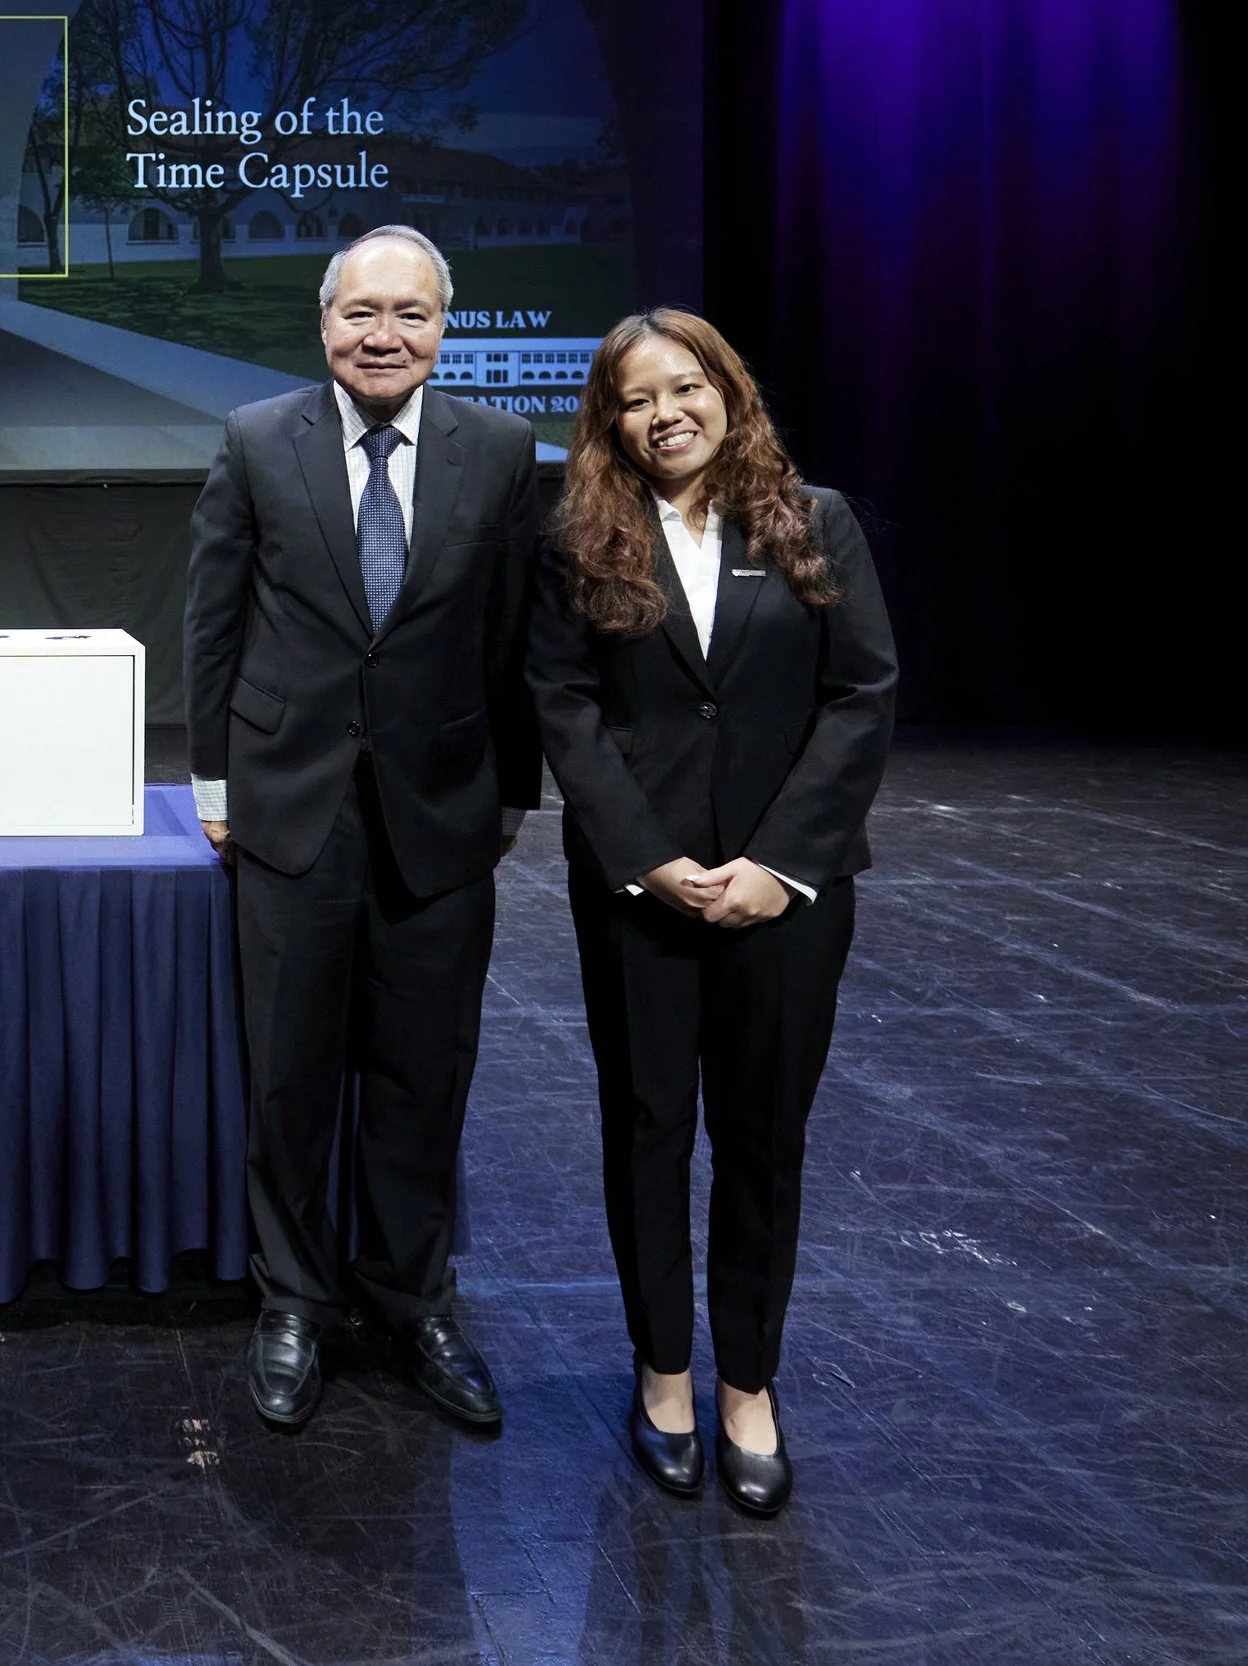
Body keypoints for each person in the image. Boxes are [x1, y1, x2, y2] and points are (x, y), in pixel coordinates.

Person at [528, 308, 896, 1514]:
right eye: (636, 398)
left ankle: (749, 1385)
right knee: (646, 1133)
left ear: (728, 393)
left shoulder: (812, 519)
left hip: (783, 897)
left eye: (685, 386)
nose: (664, 412)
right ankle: (665, 1374)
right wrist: (646, 858)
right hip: (642, 897)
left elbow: (860, 696)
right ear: (610, 420)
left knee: (760, 1140)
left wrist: (776, 862)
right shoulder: (582, 538)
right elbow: (563, 705)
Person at [186, 225, 541, 1429]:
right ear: (323, 322)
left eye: (411, 314)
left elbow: (512, 639)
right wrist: (214, 785)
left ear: (447, 326)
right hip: (288, 809)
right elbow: (214, 622)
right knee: (289, 1071)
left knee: (420, 1072)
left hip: (440, 815)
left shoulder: (497, 453)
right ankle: (291, 1301)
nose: (383, 336)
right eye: (360, 314)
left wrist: (509, 792)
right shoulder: (253, 440)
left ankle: (411, 1298)